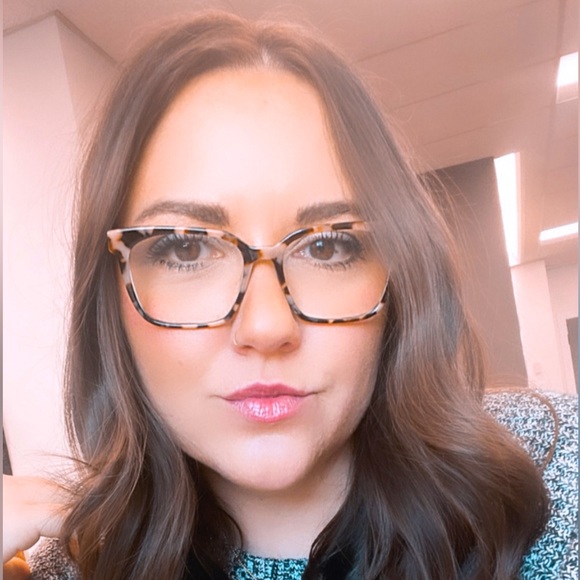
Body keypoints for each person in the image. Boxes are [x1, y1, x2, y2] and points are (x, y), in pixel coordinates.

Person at [3, 11, 577, 580]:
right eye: (184, 248)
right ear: (110, 302)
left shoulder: (558, 476)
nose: (266, 327)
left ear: (400, 276)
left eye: (328, 247)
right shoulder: (71, 568)